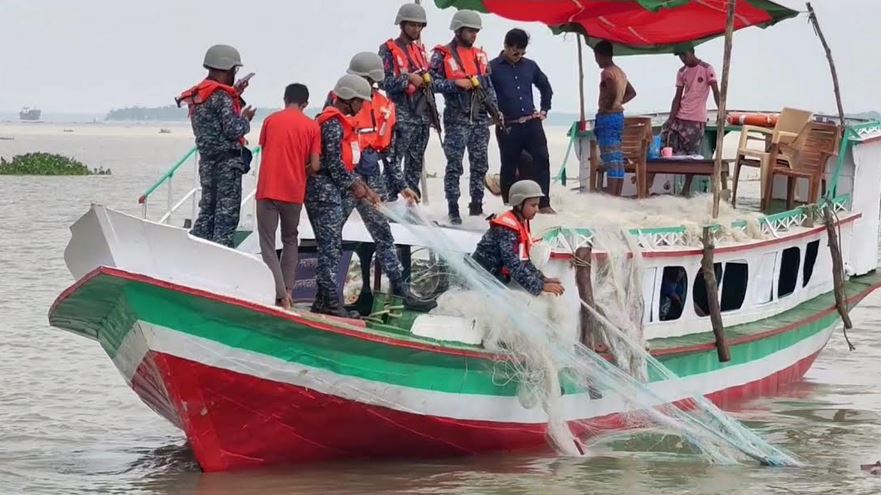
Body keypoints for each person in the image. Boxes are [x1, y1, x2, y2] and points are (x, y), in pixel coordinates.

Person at [342, 52, 435, 312]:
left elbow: (389, 154)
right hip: (343, 176)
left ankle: (404, 292)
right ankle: (327, 294)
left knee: (383, 236)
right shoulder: (339, 100)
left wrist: (402, 185)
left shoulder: (385, 107)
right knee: (330, 235)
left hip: (372, 177)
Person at [306, 74, 378, 318]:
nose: (362, 107)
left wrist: (362, 186)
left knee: (331, 246)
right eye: (360, 101)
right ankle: (330, 301)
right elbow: (335, 164)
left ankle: (322, 300)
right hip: (323, 191)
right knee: (330, 247)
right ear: (350, 100)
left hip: (330, 189)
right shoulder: (333, 124)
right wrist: (354, 185)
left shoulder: (336, 122)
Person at [178, 44, 256, 247]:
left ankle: (193, 252)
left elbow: (214, 123)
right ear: (226, 68)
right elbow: (232, 129)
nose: (234, 74)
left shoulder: (199, 95)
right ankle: (221, 262)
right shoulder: (222, 97)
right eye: (234, 70)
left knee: (207, 214)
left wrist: (235, 92)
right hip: (227, 166)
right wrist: (246, 119)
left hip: (207, 163)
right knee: (225, 219)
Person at [430, 9, 498, 225]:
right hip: (456, 118)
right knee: (454, 166)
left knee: (480, 165)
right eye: (470, 31)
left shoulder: (480, 55)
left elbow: (489, 86)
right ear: (458, 30)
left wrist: (496, 111)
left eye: (476, 31)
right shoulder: (441, 55)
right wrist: (455, 84)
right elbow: (430, 83)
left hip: (479, 119)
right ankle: (453, 208)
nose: (474, 35)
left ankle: (477, 207)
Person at [256, 83, 319, 311]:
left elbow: (265, 151)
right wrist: (300, 171)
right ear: (306, 104)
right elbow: (315, 164)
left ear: (284, 98)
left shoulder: (270, 121)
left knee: (268, 244)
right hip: (294, 192)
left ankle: (280, 295)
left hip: (268, 189)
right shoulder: (312, 127)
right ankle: (290, 291)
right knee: (291, 240)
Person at [489, 28, 555, 213]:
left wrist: (544, 109)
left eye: (522, 52)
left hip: (532, 122)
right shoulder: (492, 68)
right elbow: (484, 94)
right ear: (506, 46)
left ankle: (544, 203)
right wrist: (493, 114)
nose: (518, 56)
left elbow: (545, 86)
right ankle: (510, 205)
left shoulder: (530, 66)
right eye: (515, 51)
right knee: (509, 165)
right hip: (508, 125)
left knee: (542, 160)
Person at [472, 180, 565, 296]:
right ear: (519, 204)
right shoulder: (506, 230)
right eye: (533, 205)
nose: (537, 209)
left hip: (494, 276)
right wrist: (540, 286)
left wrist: (541, 278)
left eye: (538, 205)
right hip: (481, 278)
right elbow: (513, 264)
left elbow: (524, 260)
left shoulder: (520, 223)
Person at [379, 3, 434, 199]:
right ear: (402, 25)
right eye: (412, 25)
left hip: (422, 116)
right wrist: (408, 79)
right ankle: (389, 202)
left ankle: (412, 204)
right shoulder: (388, 49)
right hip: (400, 115)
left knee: (415, 163)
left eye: (420, 26)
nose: (416, 30)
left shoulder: (421, 51)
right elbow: (382, 81)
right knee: (393, 161)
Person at [593, 40, 636, 197]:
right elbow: (632, 92)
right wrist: (619, 102)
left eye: (596, 56)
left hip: (608, 117)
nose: (596, 60)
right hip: (619, 117)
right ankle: (616, 193)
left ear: (601, 55)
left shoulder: (607, 73)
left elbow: (611, 91)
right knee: (616, 156)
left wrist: (608, 105)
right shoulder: (620, 72)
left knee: (609, 156)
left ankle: (611, 193)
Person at [662, 46, 720, 155]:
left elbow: (716, 92)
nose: (683, 58)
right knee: (668, 146)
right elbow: (677, 96)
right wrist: (671, 118)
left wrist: (721, 111)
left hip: (695, 119)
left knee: (691, 154)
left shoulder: (707, 68)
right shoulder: (682, 71)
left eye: (684, 55)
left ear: (692, 52)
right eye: (680, 56)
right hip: (679, 117)